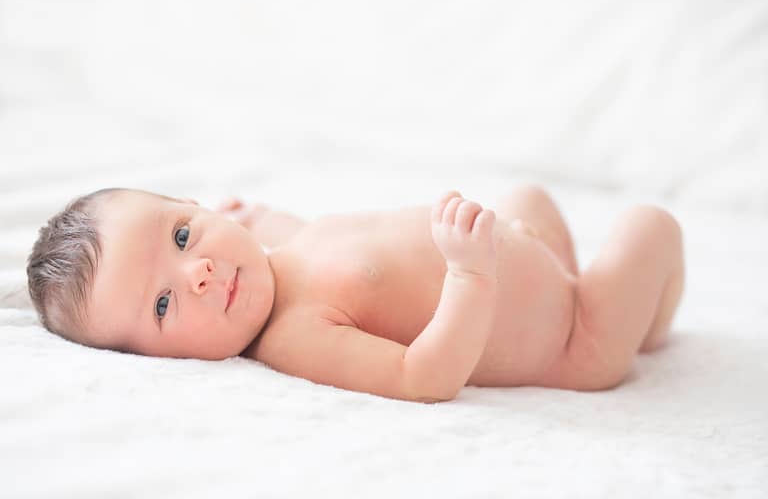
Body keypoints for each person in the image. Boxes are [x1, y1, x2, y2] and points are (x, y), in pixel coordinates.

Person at [26, 185, 685, 402]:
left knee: (528, 197)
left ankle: (615, 298)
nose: (197, 272)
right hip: (575, 338)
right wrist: (470, 275)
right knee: (648, 227)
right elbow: (423, 375)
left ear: (199, 205)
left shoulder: (277, 256)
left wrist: (255, 217)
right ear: (150, 360)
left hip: (526, 265)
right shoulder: (294, 335)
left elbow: (297, 236)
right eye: (163, 305)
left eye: (180, 235)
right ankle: (644, 330)